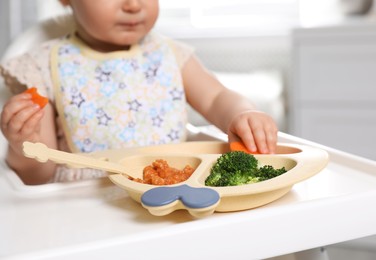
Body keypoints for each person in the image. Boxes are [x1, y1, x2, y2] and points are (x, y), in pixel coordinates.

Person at [0, 0, 278, 185]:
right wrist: (24, 144)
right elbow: (39, 173)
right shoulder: (43, 66)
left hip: (176, 190)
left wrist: (243, 113)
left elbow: (217, 98)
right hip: (89, 209)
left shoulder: (170, 54)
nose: (133, 4)